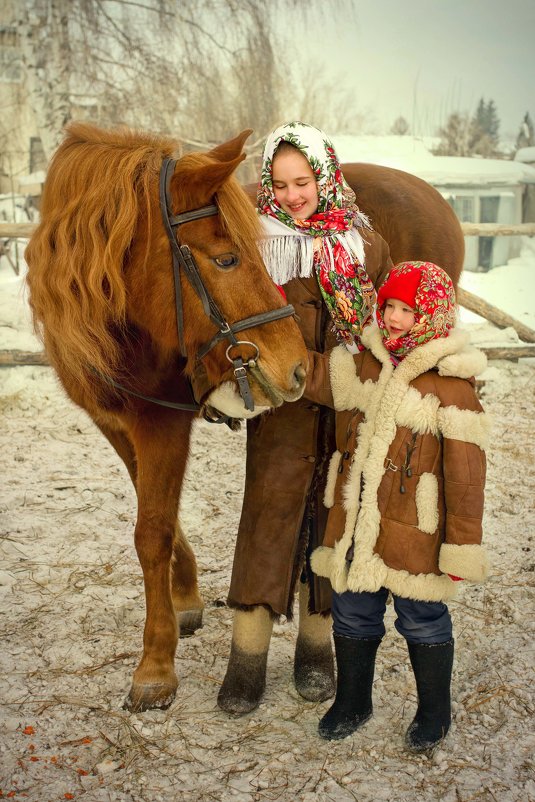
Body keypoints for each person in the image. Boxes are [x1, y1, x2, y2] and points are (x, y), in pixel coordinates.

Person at [201, 122, 396, 715]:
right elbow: (226, 318)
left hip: (345, 420)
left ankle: (316, 652)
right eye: (280, 184)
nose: (291, 196)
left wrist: (336, 377)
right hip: (279, 418)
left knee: (328, 532)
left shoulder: (366, 245)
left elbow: (381, 338)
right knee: (266, 525)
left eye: (303, 181)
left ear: (325, 176)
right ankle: (247, 661)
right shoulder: (257, 242)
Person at [304, 260, 490, 749]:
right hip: (358, 518)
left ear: (430, 314)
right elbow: (316, 378)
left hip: (417, 528)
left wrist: (460, 547)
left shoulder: (451, 385)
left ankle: (434, 711)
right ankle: (352, 701)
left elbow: (467, 480)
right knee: (351, 610)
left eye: (408, 309)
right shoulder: (366, 362)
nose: (394, 317)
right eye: (389, 305)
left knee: (421, 616)